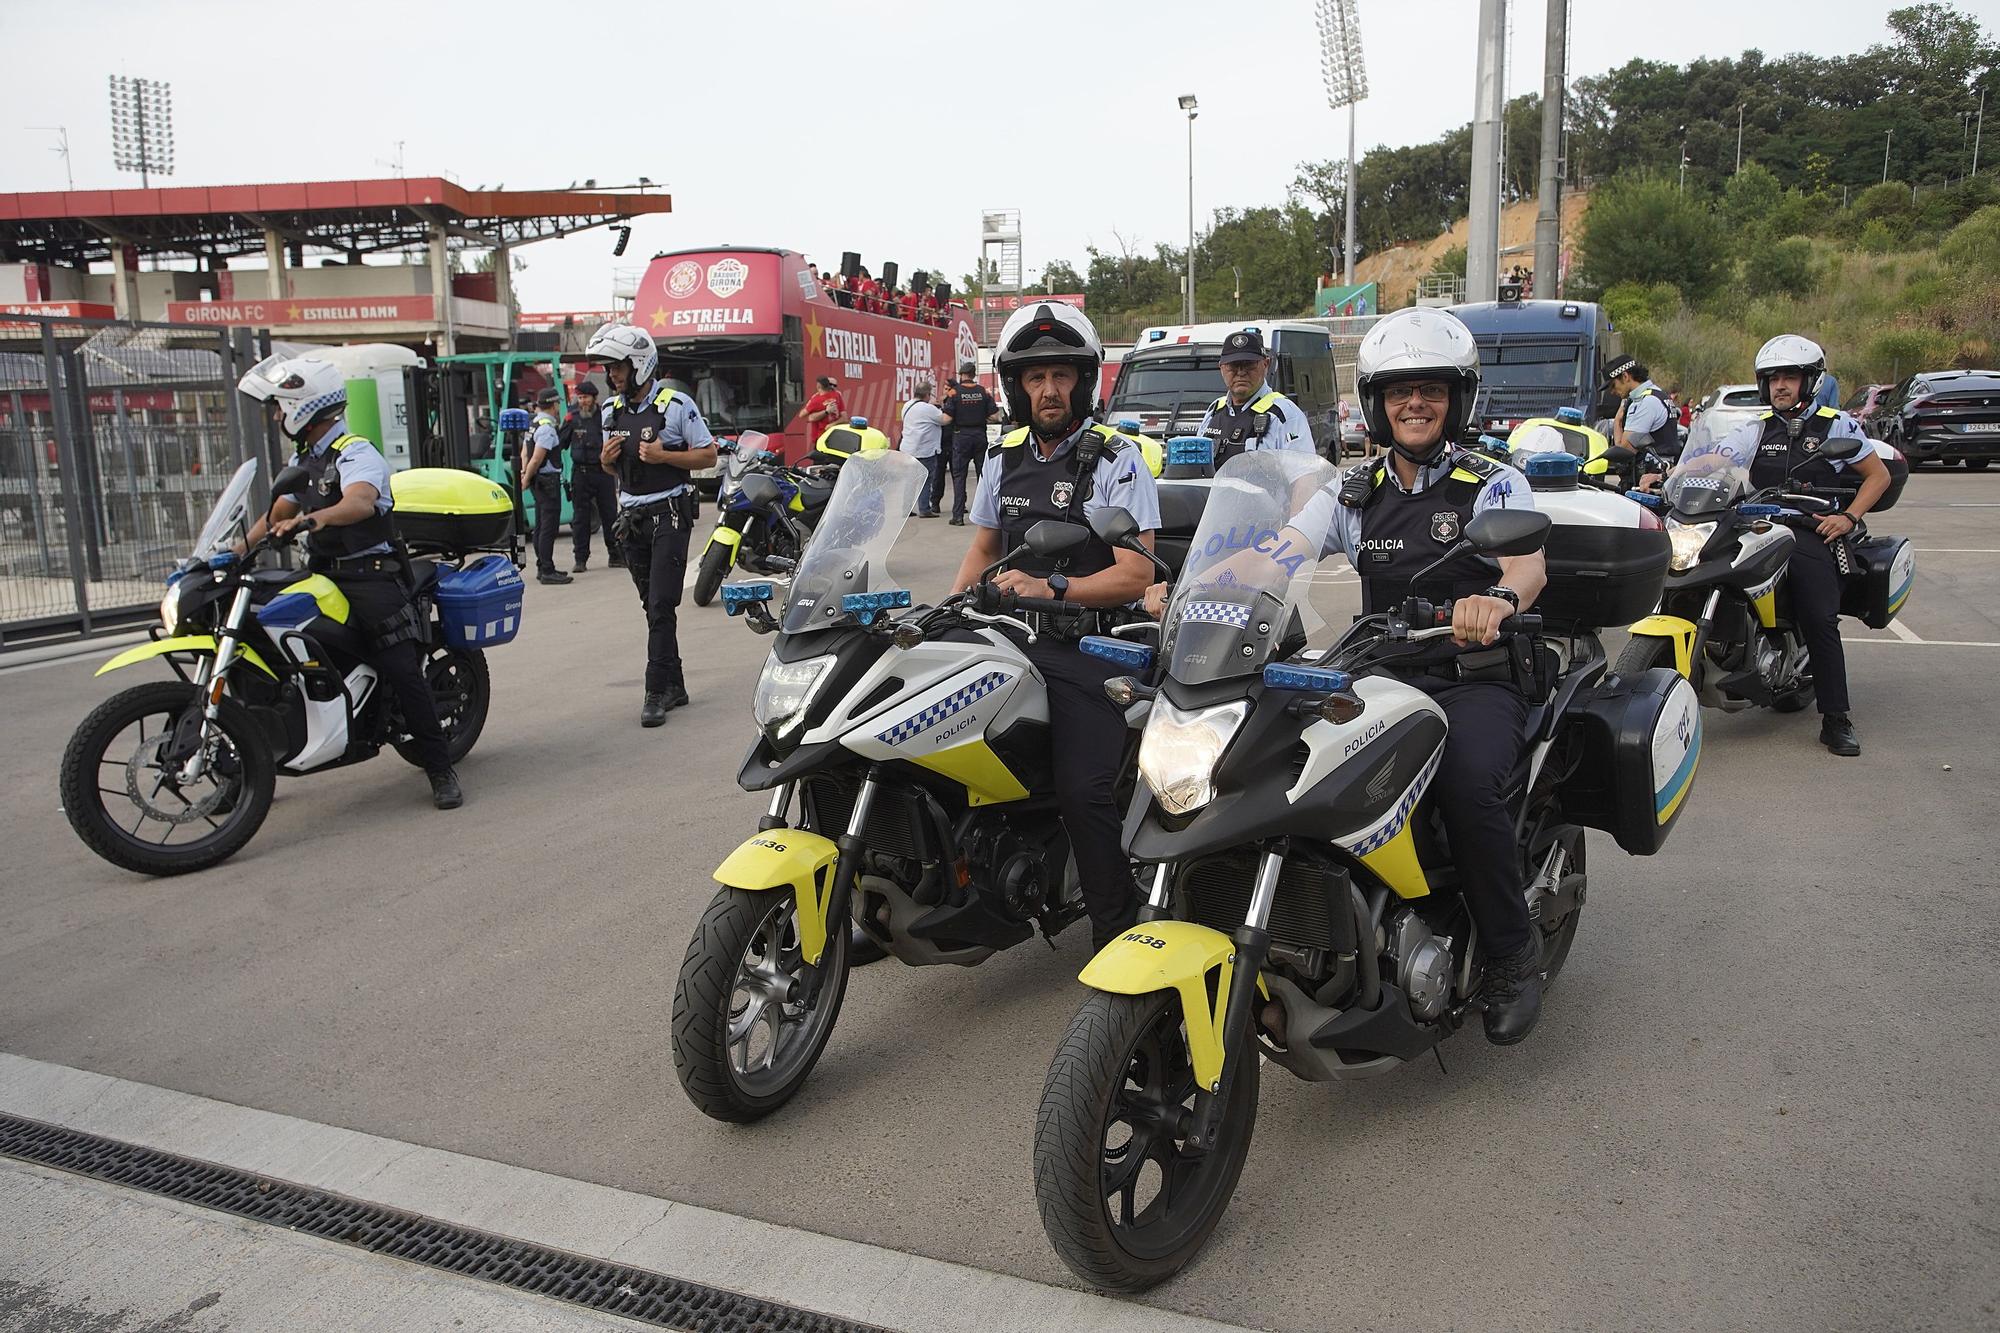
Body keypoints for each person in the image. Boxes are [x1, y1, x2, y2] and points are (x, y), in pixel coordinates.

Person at [1205, 308, 1548, 1043]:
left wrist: (1499, 598)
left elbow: (1527, 561)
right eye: (1399, 391)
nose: (1414, 404)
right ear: (1376, 402)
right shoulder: (1353, 491)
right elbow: (1281, 548)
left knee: (1466, 783)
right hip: (1382, 670)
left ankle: (1514, 954)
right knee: (1289, 763)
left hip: (1475, 673)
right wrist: (1202, 584)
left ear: (1458, 398)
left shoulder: (1492, 482)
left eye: (1430, 389)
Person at [949, 301, 1162, 952]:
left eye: (1062, 375)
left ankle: (1115, 925)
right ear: (1016, 385)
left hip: (1094, 646)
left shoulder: (1115, 458)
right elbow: (985, 547)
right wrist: (949, 610)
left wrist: (1053, 586)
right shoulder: (1004, 456)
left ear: (1084, 381)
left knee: (1083, 788)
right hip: (1009, 636)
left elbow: (1136, 573)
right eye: (1036, 376)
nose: (1049, 389)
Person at [235, 356, 462, 809]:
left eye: (282, 407)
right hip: (321, 574)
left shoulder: (356, 452)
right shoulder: (303, 461)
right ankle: (244, 767)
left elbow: (360, 502)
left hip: (370, 577)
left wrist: (313, 518)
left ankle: (439, 767)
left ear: (306, 408)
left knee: (400, 667)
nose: (278, 415)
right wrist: (230, 553)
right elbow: (274, 515)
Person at [1706, 334, 1891, 757]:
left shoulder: (1835, 424)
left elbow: (1876, 476)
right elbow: (1716, 459)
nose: (1780, 386)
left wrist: (1848, 517)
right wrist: (1678, 475)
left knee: (1819, 616)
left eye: (1790, 377)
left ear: (1810, 380)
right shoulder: (1755, 428)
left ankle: (1836, 719)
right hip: (1754, 526)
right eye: (1772, 379)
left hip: (1809, 529)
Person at [587, 322, 718, 728]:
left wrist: (665, 458)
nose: (613, 375)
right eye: (609, 369)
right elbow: (611, 469)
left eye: (619, 367)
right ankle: (675, 683)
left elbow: (708, 455)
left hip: (670, 514)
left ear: (640, 365)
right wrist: (607, 459)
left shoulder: (676, 405)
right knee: (652, 606)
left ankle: (655, 690)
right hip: (632, 520)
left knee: (662, 604)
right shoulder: (611, 410)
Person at [1197, 328, 1316, 462]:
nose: (1241, 372)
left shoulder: (1285, 414)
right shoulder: (1214, 410)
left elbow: (1304, 476)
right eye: (1233, 366)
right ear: (1221, 368)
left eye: (1249, 365)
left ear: (1266, 364)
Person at [563, 380, 621, 573]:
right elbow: (560, 442)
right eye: (579, 398)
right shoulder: (572, 418)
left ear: (594, 398)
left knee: (610, 514)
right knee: (580, 518)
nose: (582, 401)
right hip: (581, 474)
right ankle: (580, 559)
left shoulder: (605, 416)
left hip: (603, 472)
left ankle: (615, 555)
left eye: (585, 397)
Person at [937, 361, 999, 525]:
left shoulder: (954, 392)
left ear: (962, 374)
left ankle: (958, 516)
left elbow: (947, 418)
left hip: (961, 436)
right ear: (974, 374)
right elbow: (995, 416)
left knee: (959, 476)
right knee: (983, 476)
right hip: (979, 435)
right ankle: (986, 515)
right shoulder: (983, 392)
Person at [522, 387, 572, 585]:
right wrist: (526, 479)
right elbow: (536, 458)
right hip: (547, 482)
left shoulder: (534, 423)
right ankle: (547, 570)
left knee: (541, 525)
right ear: (554, 405)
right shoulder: (546, 428)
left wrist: (525, 474)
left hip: (538, 481)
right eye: (558, 403)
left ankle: (542, 568)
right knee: (548, 528)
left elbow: (525, 452)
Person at [1605, 355, 1674, 471]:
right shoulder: (1658, 394)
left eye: (1613, 385)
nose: (1612, 392)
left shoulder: (1644, 403)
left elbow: (1624, 452)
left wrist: (1617, 421)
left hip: (1649, 477)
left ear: (1625, 376)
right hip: (1661, 470)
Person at [899, 381, 950, 517]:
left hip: (907, 448)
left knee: (910, 480)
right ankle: (924, 509)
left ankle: (906, 509)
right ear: (927, 394)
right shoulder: (928, 409)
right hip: (924, 449)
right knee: (926, 479)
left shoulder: (907, 405)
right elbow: (945, 420)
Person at [800, 375, 845, 444]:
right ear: (828, 385)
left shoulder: (816, 400)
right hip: (835, 436)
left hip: (822, 437)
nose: (833, 387)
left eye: (834, 386)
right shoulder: (837, 395)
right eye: (831, 385)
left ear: (818, 386)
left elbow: (802, 415)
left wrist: (826, 413)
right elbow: (844, 417)